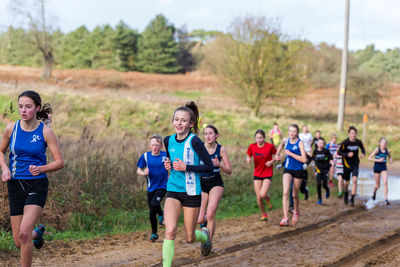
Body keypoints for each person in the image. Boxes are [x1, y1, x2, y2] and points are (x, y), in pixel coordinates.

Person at [0, 91, 64, 267]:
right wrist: (5, 169)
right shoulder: (11, 129)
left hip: (37, 184)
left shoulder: (45, 132)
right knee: (18, 241)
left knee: (23, 234)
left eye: (28, 106)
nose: (23, 110)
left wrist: (42, 168)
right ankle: (38, 234)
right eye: (20, 106)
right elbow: (1, 151)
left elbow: (60, 162)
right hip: (15, 185)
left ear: (36, 108)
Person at [162, 101, 214, 267]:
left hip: (192, 192)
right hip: (173, 190)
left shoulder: (195, 142)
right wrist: (168, 164)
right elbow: (171, 159)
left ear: (191, 124)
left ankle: (205, 236)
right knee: (170, 230)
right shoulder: (167, 140)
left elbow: (209, 167)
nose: (179, 123)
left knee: (189, 238)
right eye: (176, 119)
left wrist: (187, 167)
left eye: (183, 120)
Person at [197, 125, 232, 242]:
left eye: (210, 133)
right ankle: (205, 223)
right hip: (201, 183)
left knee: (211, 214)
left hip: (215, 182)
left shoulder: (221, 149)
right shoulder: (199, 147)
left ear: (216, 135)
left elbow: (229, 170)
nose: (208, 136)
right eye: (205, 134)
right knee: (199, 220)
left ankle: (208, 243)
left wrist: (219, 165)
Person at [137, 134, 168, 242]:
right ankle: (154, 234)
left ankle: (161, 214)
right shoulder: (145, 156)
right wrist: (143, 172)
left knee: (155, 204)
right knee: (151, 212)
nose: (154, 147)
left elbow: (173, 166)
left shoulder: (166, 155)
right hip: (151, 187)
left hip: (163, 186)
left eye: (157, 145)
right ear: (150, 145)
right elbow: (138, 170)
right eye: (153, 145)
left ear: (161, 146)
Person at [275, 124, 307, 226]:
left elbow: (304, 159)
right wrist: (277, 154)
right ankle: (285, 218)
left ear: (297, 133)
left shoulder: (300, 143)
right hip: (287, 169)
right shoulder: (286, 140)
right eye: (290, 131)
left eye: (294, 131)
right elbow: (281, 145)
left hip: (298, 170)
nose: (291, 133)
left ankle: (296, 211)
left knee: (294, 194)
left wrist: (291, 154)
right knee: (285, 193)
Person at [246, 129, 276, 221]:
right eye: (257, 138)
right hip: (257, 173)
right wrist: (248, 159)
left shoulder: (270, 146)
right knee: (259, 197)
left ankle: (268, 197)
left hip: (267, 172)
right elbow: (248, 155)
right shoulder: (252, 146)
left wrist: (271, 161)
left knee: (263, 194)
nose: (259, 140)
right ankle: (264, 214)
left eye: (261, 138)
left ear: (264, 138)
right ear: (255, 138)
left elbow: (277, 155)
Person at [338, 126, 366, 206]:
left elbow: (363, 149)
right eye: (352, 133)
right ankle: (346, 193)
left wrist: (363, 154)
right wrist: (347, 154)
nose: (353, 135)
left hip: (355, 164)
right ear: (349, 134)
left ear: (356, 134)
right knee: (346, 183)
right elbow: (339, 152)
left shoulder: (358, 142)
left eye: (354, 133)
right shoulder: (345, 143)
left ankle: (352, 198)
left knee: (354, 180)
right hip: (346, 164)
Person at [368, 137, 393, 205]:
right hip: (377, 168)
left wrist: (390, 159)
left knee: (385, 182)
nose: (384, 144)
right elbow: (369, 158)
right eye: (382, 143)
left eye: (385, 143)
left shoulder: (388, 151)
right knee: (378, 186)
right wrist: (378, 160)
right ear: (380, 143)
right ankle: (374, 192)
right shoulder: (377, 150)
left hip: (384, 168)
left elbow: (390, 157)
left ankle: (386, 199)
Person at [312, 139, 333, 205]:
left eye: (322, 143)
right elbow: (313, 159)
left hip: (325, 170)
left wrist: (325, 159)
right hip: (318, 170)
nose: (321, 144)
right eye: (319, 143)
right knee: (318, 184)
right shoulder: (315, 151)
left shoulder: (326, 151)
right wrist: (314, 167)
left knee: (324, 184)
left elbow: (330, 158)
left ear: (324, 144)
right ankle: (319, 199)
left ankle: (327, 190)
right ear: (317, 144)